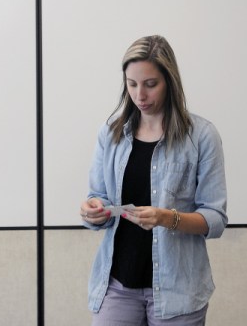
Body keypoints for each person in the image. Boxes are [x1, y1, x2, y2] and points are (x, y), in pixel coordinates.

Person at [80, 35, 228, 325]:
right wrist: (94, 210)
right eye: (131, 84)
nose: (140, 95)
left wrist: (166, 218)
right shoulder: (110, 134)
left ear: (170, 82)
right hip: (117, 285)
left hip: (178, 290)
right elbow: (98, 197)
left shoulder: (201, 136)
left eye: (150, 84)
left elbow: (215, 218)